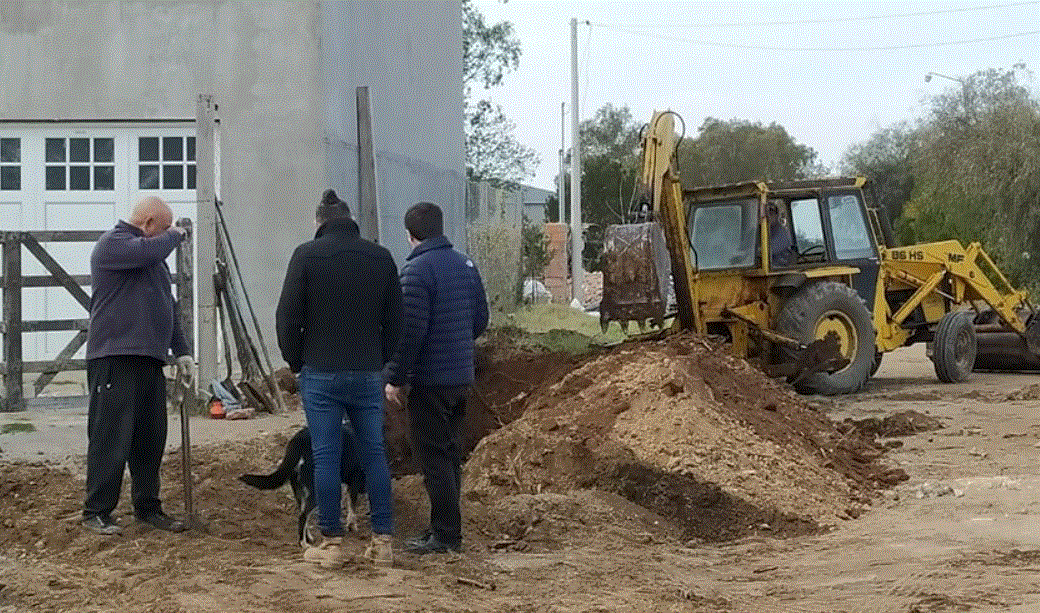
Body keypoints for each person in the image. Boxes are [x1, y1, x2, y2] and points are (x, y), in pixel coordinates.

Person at [276, 189, 402, 568]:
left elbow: (287, 316)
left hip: (320, 370)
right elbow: (396, 319)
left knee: (326, 456)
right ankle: (383, 543)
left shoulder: (306, 255)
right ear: (350, 220)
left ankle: (331, 545)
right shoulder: (380, 257)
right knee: (374, 455)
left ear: (319, 223)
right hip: (366, 371)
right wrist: (380, 360)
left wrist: (296, 362)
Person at [82, 196, 193, 535]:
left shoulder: (153, 262)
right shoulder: (113, 244)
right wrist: (178, 234)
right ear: (147, 224)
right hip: (115, 358)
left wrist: (182, 351)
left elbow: (168, 306)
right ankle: (96, 510)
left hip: (148, 361)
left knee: (149, 438)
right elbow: (150, 250)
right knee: (110, 437)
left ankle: (148, 507)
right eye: (161, 229)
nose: (164, 238)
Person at [384, 202, 489, 555]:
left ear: (410, 235)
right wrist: (457, 345)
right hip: (461, 378)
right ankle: (445, 529)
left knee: (434, 459)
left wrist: (395, 379)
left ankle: (445, 536)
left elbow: (409, 334)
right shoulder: (466, 266)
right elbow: (480, 320)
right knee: (450, 454)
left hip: (431, 382)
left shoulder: (415, 272)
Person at [767, 201, 796, 267]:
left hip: (780, 267)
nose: (768, 217)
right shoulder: (755, 232)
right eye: (766, 214)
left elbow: (772, 250)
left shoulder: (782, 232)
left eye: (771, 213)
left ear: (776, 215)